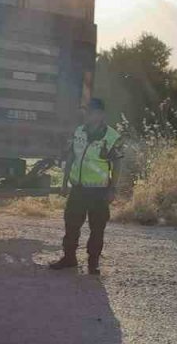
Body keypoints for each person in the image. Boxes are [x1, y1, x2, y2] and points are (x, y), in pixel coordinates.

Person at [50, 98, 123, 275]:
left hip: (99, 191)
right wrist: (64, 182)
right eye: (86, 112)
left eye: (91, 112)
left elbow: (118, 165)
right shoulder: (79, 132)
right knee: (71, 225)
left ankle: (93, 263)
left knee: (97, 228)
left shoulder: (112, 137)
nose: (87, 115)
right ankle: (69, 258)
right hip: (78, 188)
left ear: (100, 115)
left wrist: (112, 189)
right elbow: (71, 158)